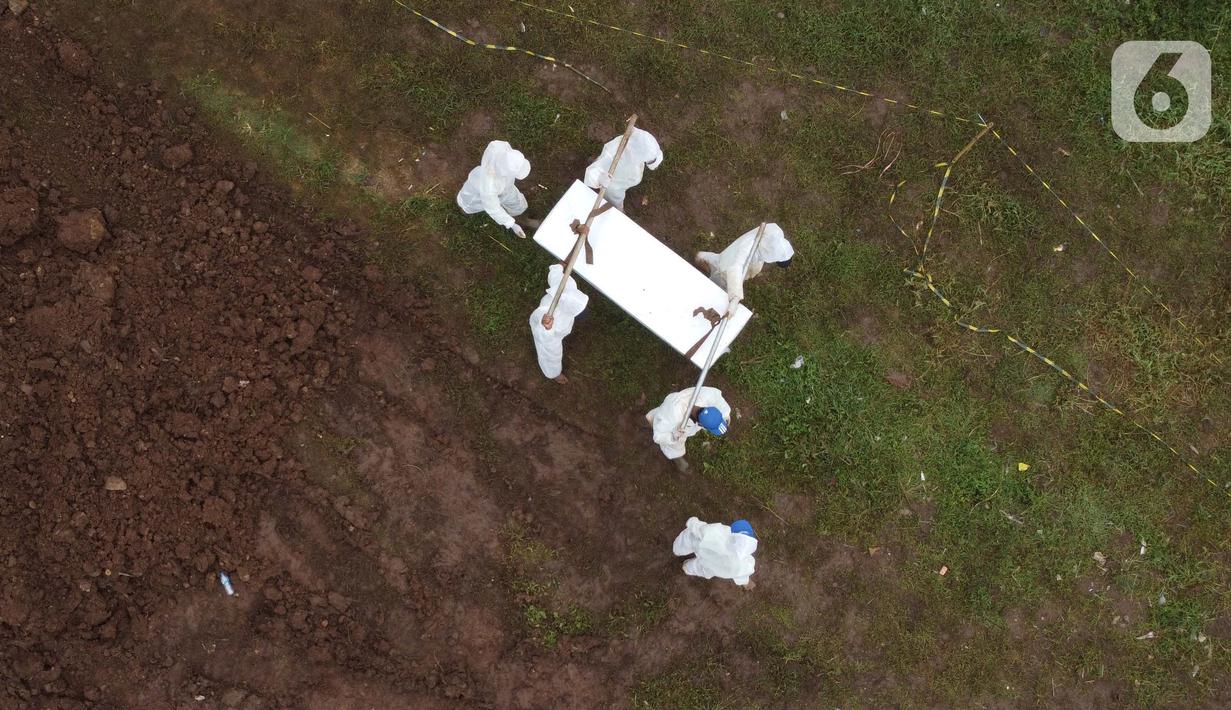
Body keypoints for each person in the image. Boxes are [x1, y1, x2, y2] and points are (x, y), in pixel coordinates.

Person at [695, 223, 794, 302]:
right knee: (723, 276)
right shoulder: (748, 248)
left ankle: (702, 258)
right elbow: (735, 268)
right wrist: (735, 294)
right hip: (732, 264)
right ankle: (701, 260)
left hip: (737, 259)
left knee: (720, 262)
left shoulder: (774, 234)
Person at [457, 140, 532, 238]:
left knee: (516, 202)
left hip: (505, 187)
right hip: (478, 193)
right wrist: (511, 224)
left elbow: (498, 145)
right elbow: (493, 208)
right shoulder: (488, 185)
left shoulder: (500, 149)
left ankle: (522, 216)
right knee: (469, 205)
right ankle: (463, 209)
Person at [529, 264, 589, 383]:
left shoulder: (566, 289)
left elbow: (557, 278)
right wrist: (547, 329)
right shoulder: (550, 314)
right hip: (548, 333)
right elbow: (545, 340)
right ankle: (554, 373)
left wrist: (559, 267)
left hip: (557, 323)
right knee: (551, 355)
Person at [583, 128, 663, 212]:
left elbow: (652, 151)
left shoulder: (630, 142)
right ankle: (617, 210)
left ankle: (595, 161)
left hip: (616, 173)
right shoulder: (612, 155)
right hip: (612, 184)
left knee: (600, 161)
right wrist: (599, 179)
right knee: (613, 198)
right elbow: (592, 173)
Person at [645, 386, 731, 460]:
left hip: (668, 413)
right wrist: (672, 437)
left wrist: (725, 415)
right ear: (700, 424)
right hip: (671, 422)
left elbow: (718, 400)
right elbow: (658, 436)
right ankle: (678, 460)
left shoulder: (708, 396)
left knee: (659, 416)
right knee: (675, 447)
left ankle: (651, 418)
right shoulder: (674, 415)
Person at [672, 517, 758, 587]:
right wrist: (747, 583)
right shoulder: (746, 565)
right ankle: (687, 568)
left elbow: (699, 529)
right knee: (699, 568)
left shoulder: (717, 532)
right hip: (710, 566)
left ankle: (677, 550)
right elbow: (743, 576)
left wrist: (692, 521)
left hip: (700, 546)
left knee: (687, 541)